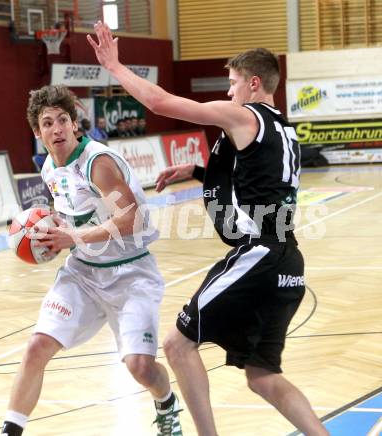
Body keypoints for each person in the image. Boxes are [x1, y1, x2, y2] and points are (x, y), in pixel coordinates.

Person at [88, 22, 329, 436]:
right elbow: (260, 181)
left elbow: (161, 102)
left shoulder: (243, 115)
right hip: (289, 260)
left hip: (256, 254)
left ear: (254, 84)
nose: (229, 90)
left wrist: (115, 67)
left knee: (177, 345)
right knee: (261, 376)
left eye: (233, 83)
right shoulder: (283, 129)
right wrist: (200, 170)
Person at [0, 85, 183, 436]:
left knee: (140, 367)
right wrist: (53, 235)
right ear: (37, 132)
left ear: (74, 125)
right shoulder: (49, 168)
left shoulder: (97, 163)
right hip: (83, 273)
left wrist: (74, 237)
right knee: (37, 346)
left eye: (63, 120)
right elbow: (70, 213)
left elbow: (132, 220)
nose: (57, 129)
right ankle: (10, 431)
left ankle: (167, 403)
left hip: (132, 273)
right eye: (48, 123)